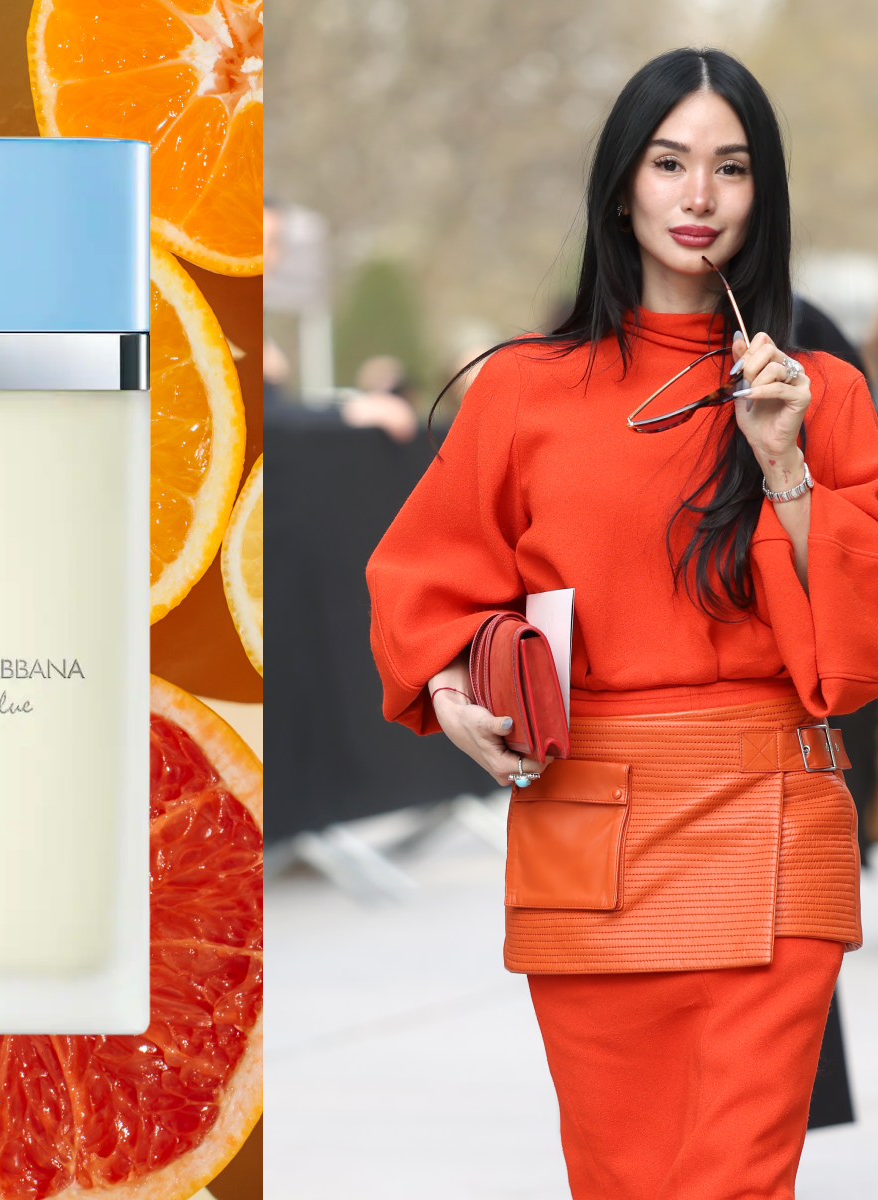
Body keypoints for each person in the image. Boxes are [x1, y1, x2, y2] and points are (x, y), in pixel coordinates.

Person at [366, 48, 878, 1198]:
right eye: (670, 162)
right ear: (621, 185)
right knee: (622, 1178)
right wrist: (453, 694)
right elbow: (427, 573)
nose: (699, 197)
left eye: (732, 168)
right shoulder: (523, 391)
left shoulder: (821, 394)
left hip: (774, 817)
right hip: (588, 836)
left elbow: (855, 655)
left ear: (765, 192)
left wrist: (782, 460)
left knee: (737, 1182)